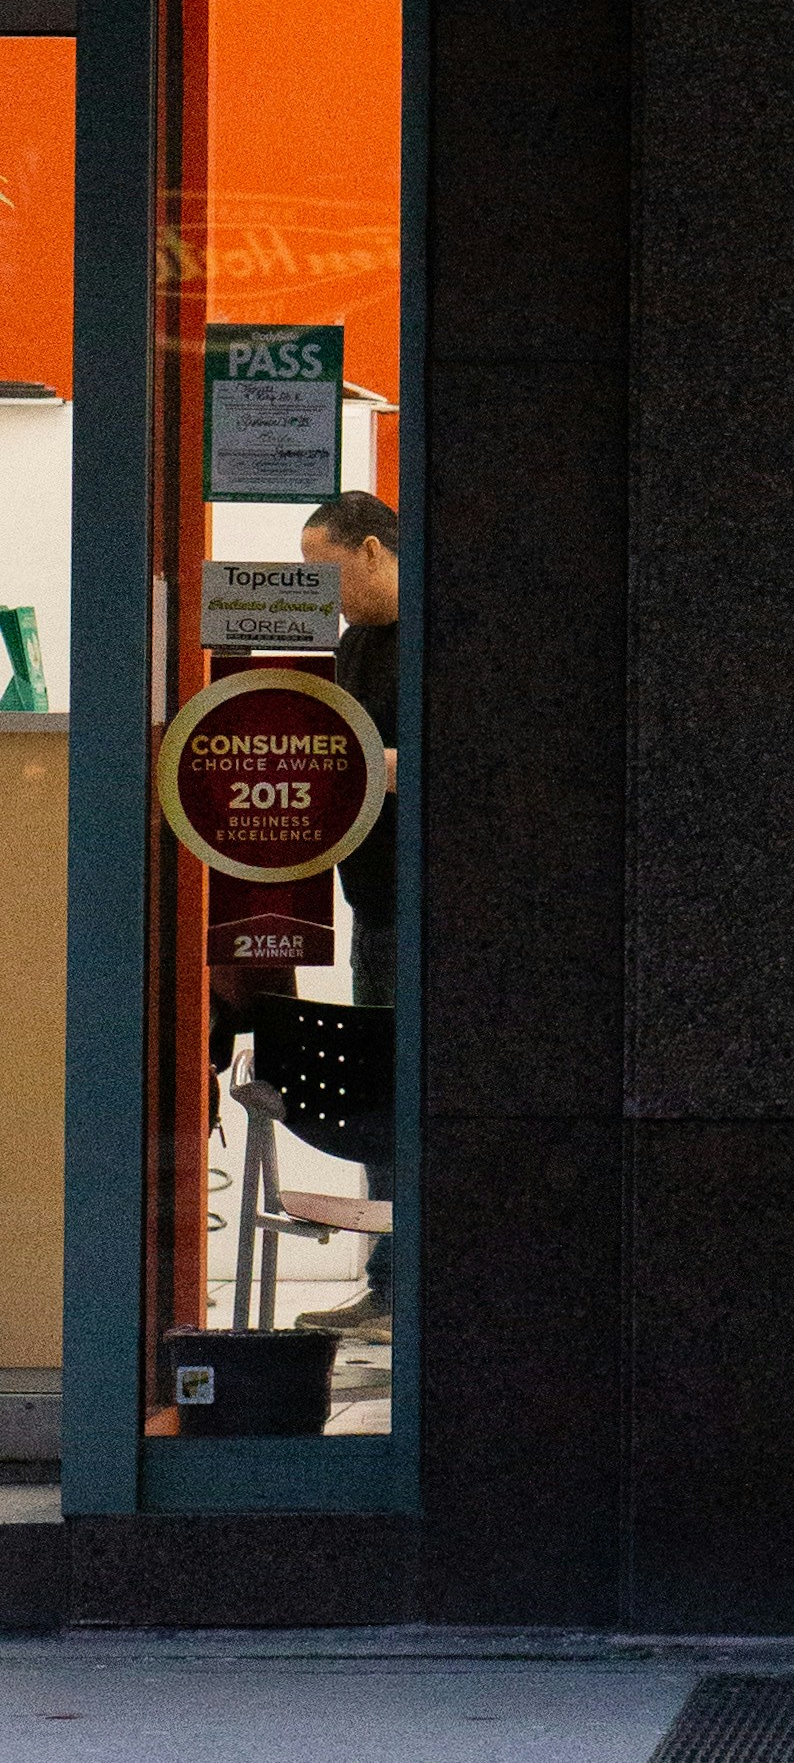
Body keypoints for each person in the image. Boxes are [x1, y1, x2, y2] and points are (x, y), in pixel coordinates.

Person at [293, 488, 400, 1345]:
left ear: (370, 550)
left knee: (405, 1096)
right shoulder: (356, 641)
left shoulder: (429, 634)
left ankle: (410, 1288)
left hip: (422, 898)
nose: (319, 589)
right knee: (376, 1096)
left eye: (324, 569)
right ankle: (389, 1285)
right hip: (372, 896)